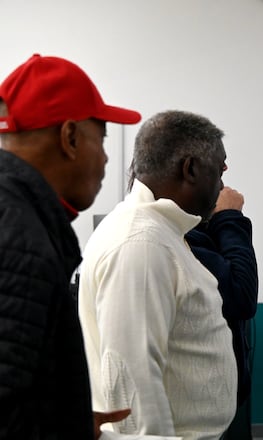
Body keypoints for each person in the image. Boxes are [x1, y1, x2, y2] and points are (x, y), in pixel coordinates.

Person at [0, 54, 140, 439]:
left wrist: (66, 416)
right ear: (70, 137)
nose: (108, 157)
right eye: (103, 139)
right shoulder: (18, 239)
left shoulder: (20, 217)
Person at [78, 110, 237, 440]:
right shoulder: (141, 241)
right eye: (219, 170)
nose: (222, 186)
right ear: (191, 168)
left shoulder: (161, 232)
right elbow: (132, 378)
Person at [184, 185, 259, 440]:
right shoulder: (178, 236)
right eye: (218, 165)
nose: (224, 169)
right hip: (195, 410)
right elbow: (241, 295)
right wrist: (229, 217)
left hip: (210, 404)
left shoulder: (193, 230)